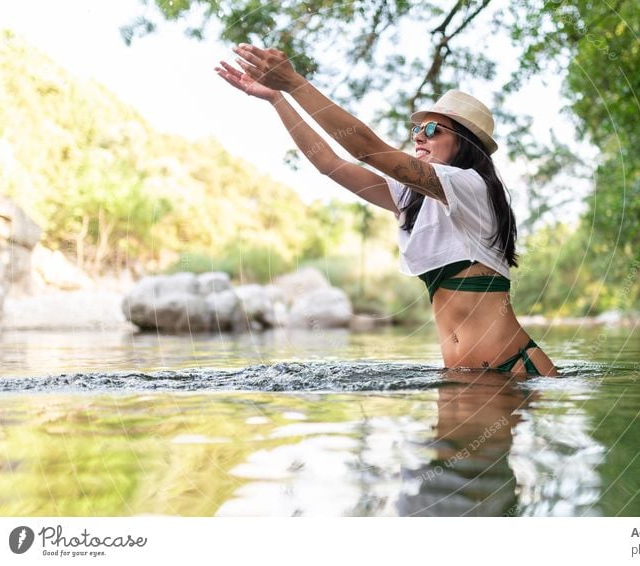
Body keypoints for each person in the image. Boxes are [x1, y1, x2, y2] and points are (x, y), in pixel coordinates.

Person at [215, 45, 557, 378]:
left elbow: (367, 149)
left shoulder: (470, 185)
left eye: (433, 129)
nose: (420, 136)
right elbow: (329, 163)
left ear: (464, 141)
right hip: (464, 375)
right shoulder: (415, 201)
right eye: (417, 129)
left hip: (509, 371)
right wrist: (278, 99)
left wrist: (295, 82)